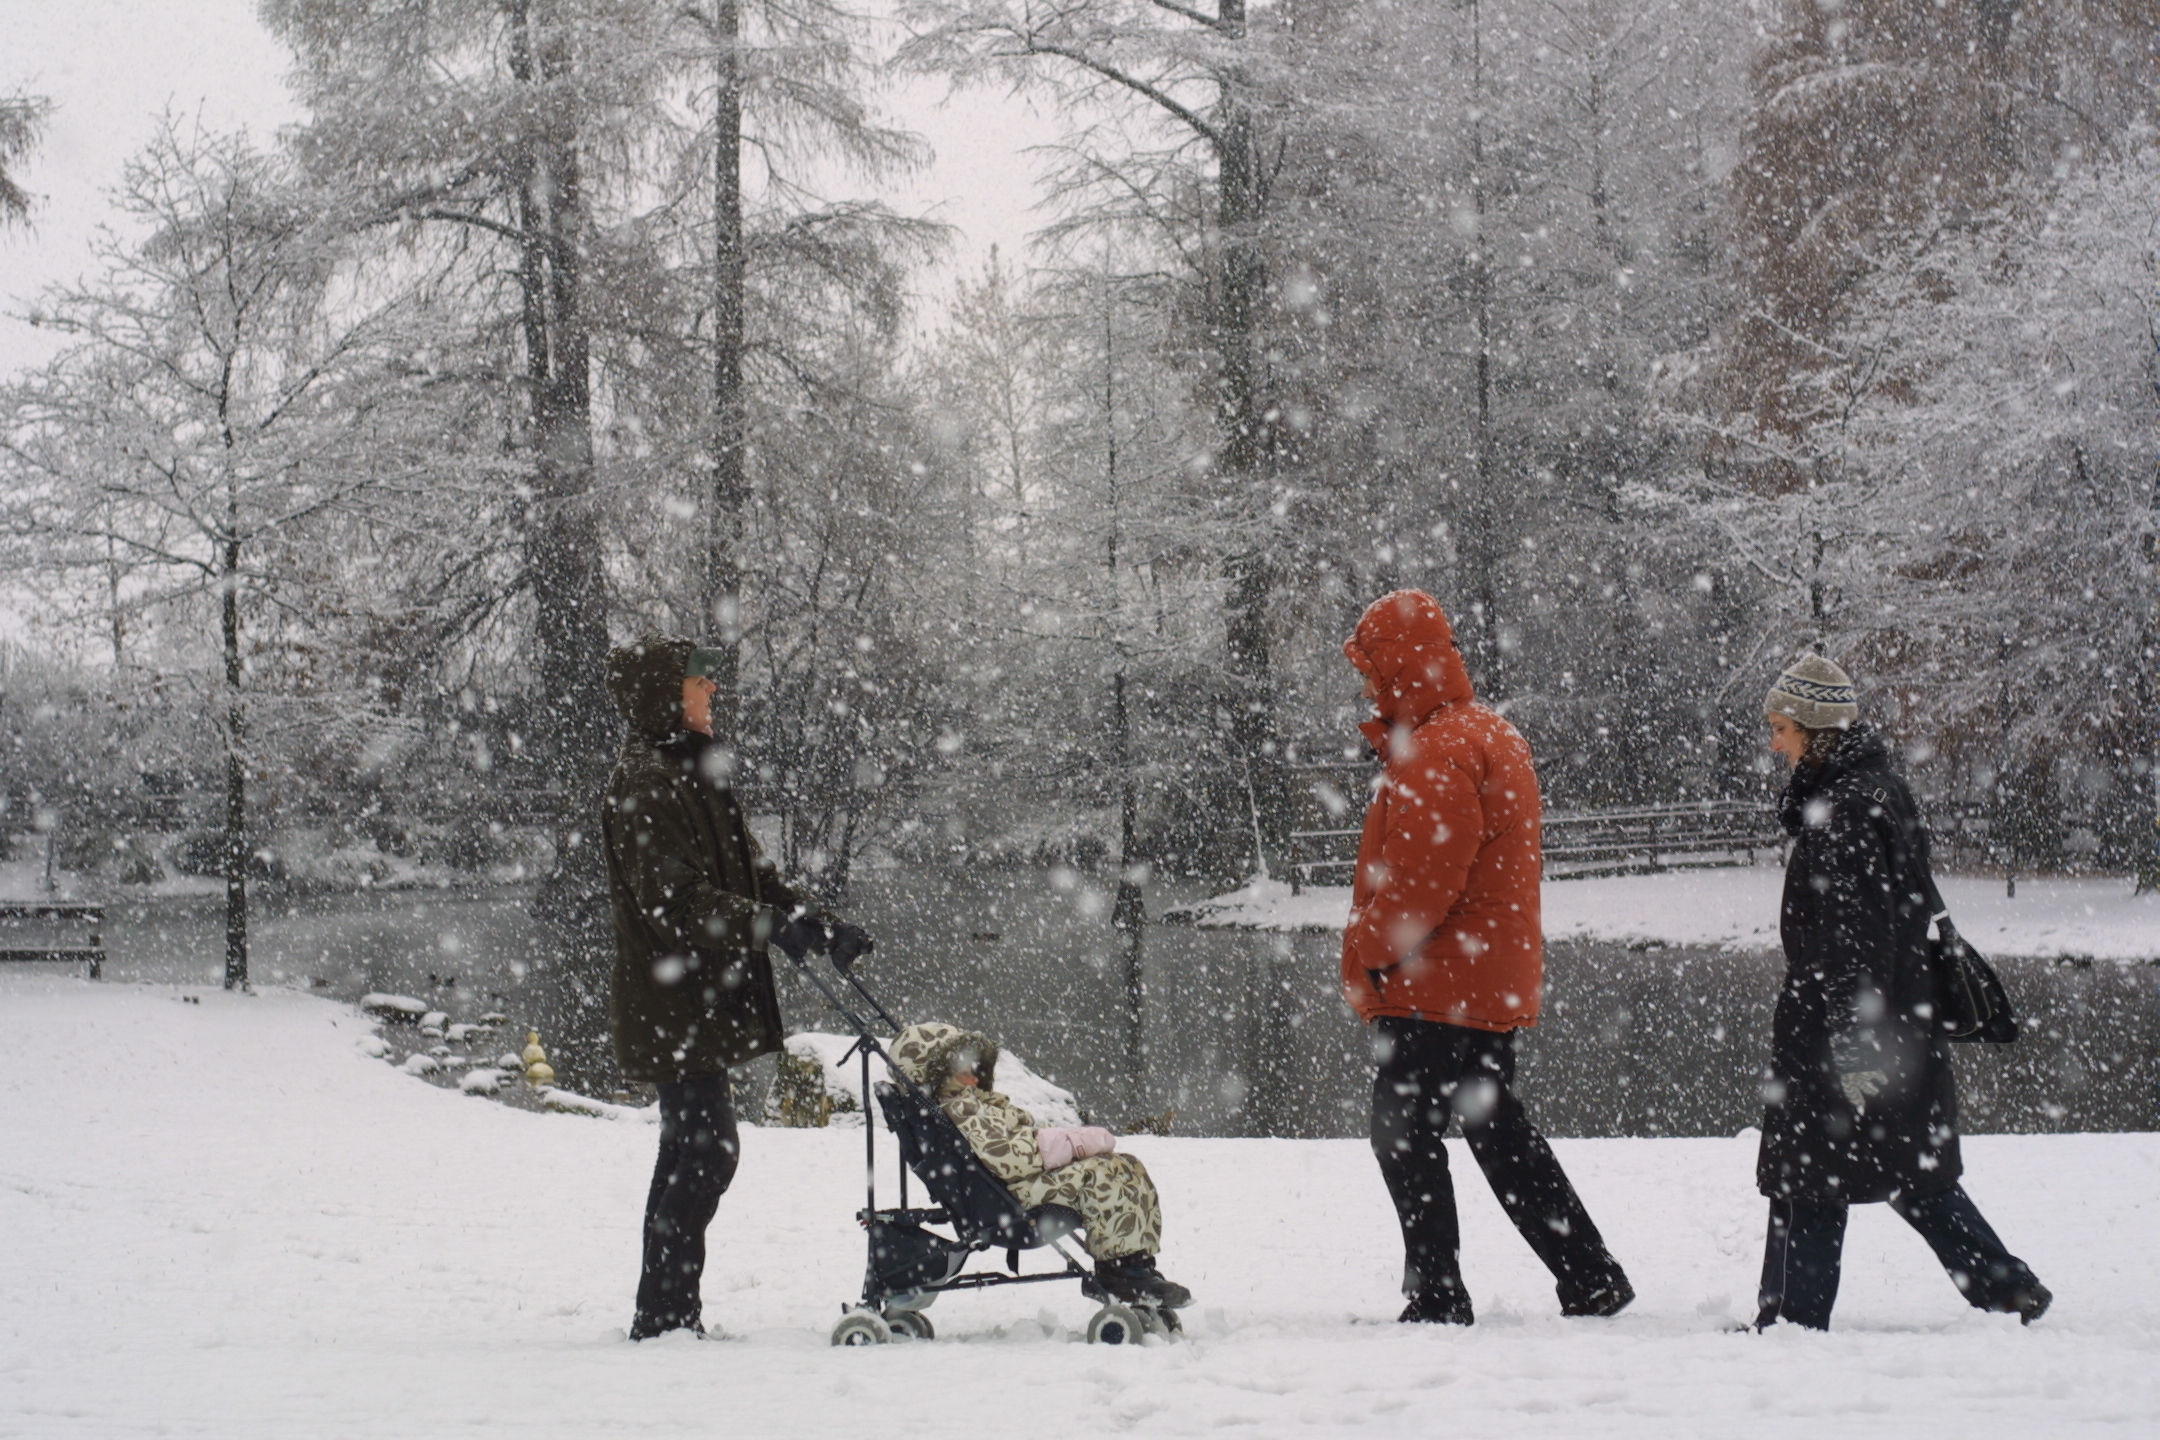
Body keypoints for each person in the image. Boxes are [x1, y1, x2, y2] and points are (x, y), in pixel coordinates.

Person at [1340, 590, 1633, 1324]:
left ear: (1399, 667)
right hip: (1482, 978)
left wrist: (1369, 949)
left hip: (1435, 982)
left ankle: (1439, 1294)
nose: (1367, 688)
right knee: (1496, 1129)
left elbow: (1423, 882)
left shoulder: (1436, 750)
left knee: (1403, 1135)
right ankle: (1590, 1274)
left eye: (1372, 672)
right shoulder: (1489, 735)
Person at [1752, 654, 2050, 1330]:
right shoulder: (1876, 791)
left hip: (1849, 1023)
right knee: (1902, 1170)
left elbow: (1856, 939)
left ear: (1815, 730)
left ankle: (1791, 1321)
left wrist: (1855, 1042)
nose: (1775, 743)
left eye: (1782, 729)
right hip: (1889, 1015)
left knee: (1813, 1171)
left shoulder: (1847, 809)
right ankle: (2005, 1288)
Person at [602, 631, 872, 1340]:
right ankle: (665, 1316)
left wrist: (817, 923)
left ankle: (664, 1313)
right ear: (668, 696)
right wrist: (766, 926)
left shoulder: (696, 769)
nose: (712, 690)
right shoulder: (646, 784)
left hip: (697, 998)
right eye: (700, 683)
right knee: (706, 1150)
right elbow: (676, 903)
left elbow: (753, 878)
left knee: (691, 1149)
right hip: (671, 1000)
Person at [888, 1021, 1192, 1310]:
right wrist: (1068, 1145)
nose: (973, 1075)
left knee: (1125, 1167)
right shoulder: (959, 1111)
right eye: (961, 1069)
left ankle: (1135, 1263)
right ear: (937, 1075)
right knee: (1106, 1175)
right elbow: (1010, 1158)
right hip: (1012, 1199)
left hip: (1016, 1190)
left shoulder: (972, 1104)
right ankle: (1120, 1272)